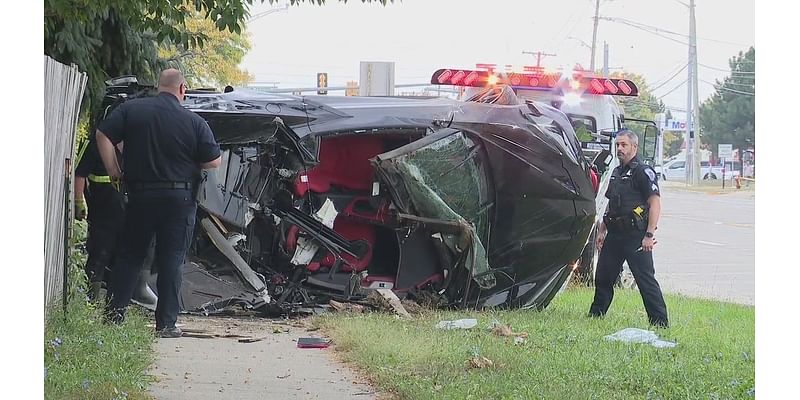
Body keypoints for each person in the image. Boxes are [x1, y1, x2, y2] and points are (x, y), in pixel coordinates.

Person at [96, 69, 221, 338]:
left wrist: (114, 171)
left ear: (158, 86)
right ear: (182, 89)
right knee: (171, 260)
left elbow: (103, 135)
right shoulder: (194, 121)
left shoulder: (132, 110)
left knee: (130, 256)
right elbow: (213, 161)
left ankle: (114, 317)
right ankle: (166, 324)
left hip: (141, 196)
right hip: (179, 199)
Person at [588, 130, 669, 328]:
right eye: (617, 145)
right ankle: (596, 315)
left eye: (624, 145)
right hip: (615, 235)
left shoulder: (643, 171)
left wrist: (649, 235)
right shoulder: (616, 172)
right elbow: (610, 205)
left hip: (636, 236)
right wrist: (601, 231)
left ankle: (660, 323)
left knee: (645, 281)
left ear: (634, 147)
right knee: (603, 277)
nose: (620, 149)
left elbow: (655, 203)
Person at [74, 133, 157, 307]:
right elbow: (79, 173)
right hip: (102, 210)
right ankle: (92, 301)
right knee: (99, 254)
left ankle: (119, 301)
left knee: (125, 256)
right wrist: (79, 201)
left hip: (129, 211)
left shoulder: (138, 143)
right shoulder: (94, 144)